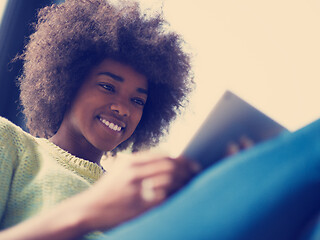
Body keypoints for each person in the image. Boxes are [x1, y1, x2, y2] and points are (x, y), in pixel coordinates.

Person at [0, 0, 199, 239]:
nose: (123, 108)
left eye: (138, 101)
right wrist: (91, 210)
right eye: (107, 86)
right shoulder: (10, 142)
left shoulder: (139, 197)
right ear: (68, 83)